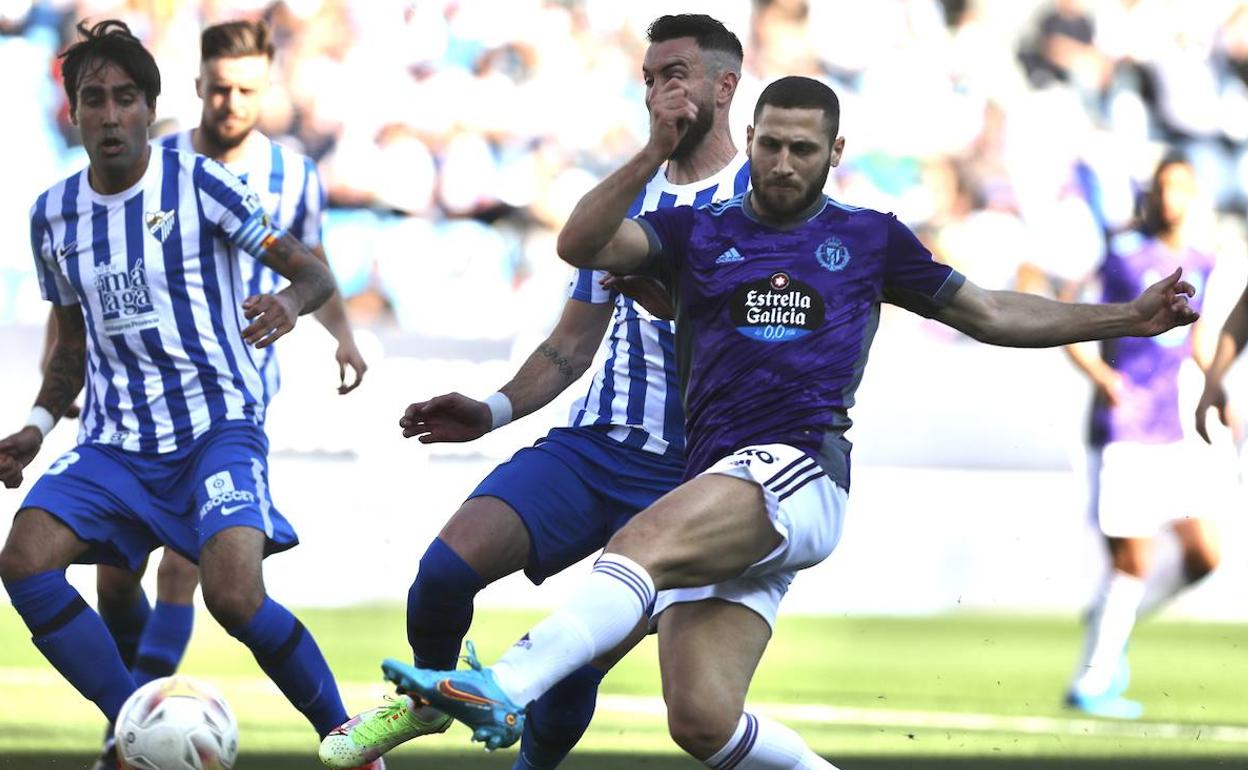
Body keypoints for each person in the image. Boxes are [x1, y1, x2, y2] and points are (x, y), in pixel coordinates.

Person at [379, 76, 1198, 769]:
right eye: (769, 144)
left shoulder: (869, 238)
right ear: (750, 138)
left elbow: (989, 311)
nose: (781, 162)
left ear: (835, 153)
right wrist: (653, 151)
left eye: (802, 149)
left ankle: (504, 686)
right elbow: (582, 243)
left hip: (797, 469)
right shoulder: (696, 231)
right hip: (719, 487)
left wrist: (1129, 318)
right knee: (701, 722)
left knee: (638, 543)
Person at [318, 13, 750, 770]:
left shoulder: (762, 200)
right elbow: (569, 345)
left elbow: (770, 347)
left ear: (725, 86)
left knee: (569, 668)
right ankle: (426, 702)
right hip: (595, 447)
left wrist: (677, 301)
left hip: (696, 478)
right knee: (442, 574)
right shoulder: (624, 198)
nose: (659, 90)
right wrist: (490, 410)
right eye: (650, 77)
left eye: (676, 74)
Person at [0, 20, 379, 770]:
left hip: (216, 427)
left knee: (233, 598)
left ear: (150, 107)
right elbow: (69, 346)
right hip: (114, 442)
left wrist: (290, 304)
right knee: (24, 558)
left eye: (126, 98)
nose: (111, 114)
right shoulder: (52, 214)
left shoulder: (201, 183)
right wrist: (37, 425)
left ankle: (354, 743)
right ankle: (134, 727)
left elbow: (311, 270)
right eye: (94, 99)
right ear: (74, 112)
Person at [1061, 153, 1229, 719]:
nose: (1169, 198)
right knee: (1132, 559)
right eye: (1162, 187)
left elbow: (1195, 341)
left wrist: (1218, 387)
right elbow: (1069, 315)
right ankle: (1092, 681)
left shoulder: (1202, 260)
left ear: (1194, 196)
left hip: (1172, 429)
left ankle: (1111, 624)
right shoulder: (1122, 253)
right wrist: (1101, 375)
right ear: (1150, 194)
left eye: (1180, 187)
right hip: (1123, 427)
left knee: (1204, 556)